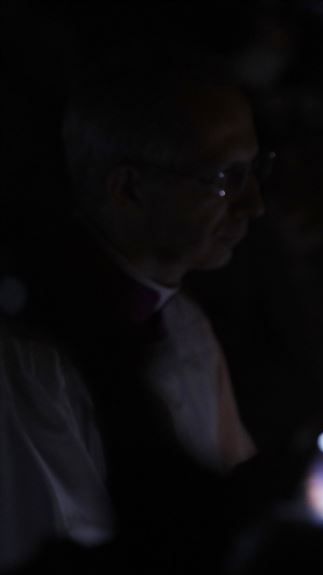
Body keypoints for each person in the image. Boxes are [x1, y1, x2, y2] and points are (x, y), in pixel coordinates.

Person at [0, 55, 266, 571]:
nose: (254, 204)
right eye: (224, 178)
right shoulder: (27, 359)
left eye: (255, 171)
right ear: (128, 189)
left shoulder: (186, 326)